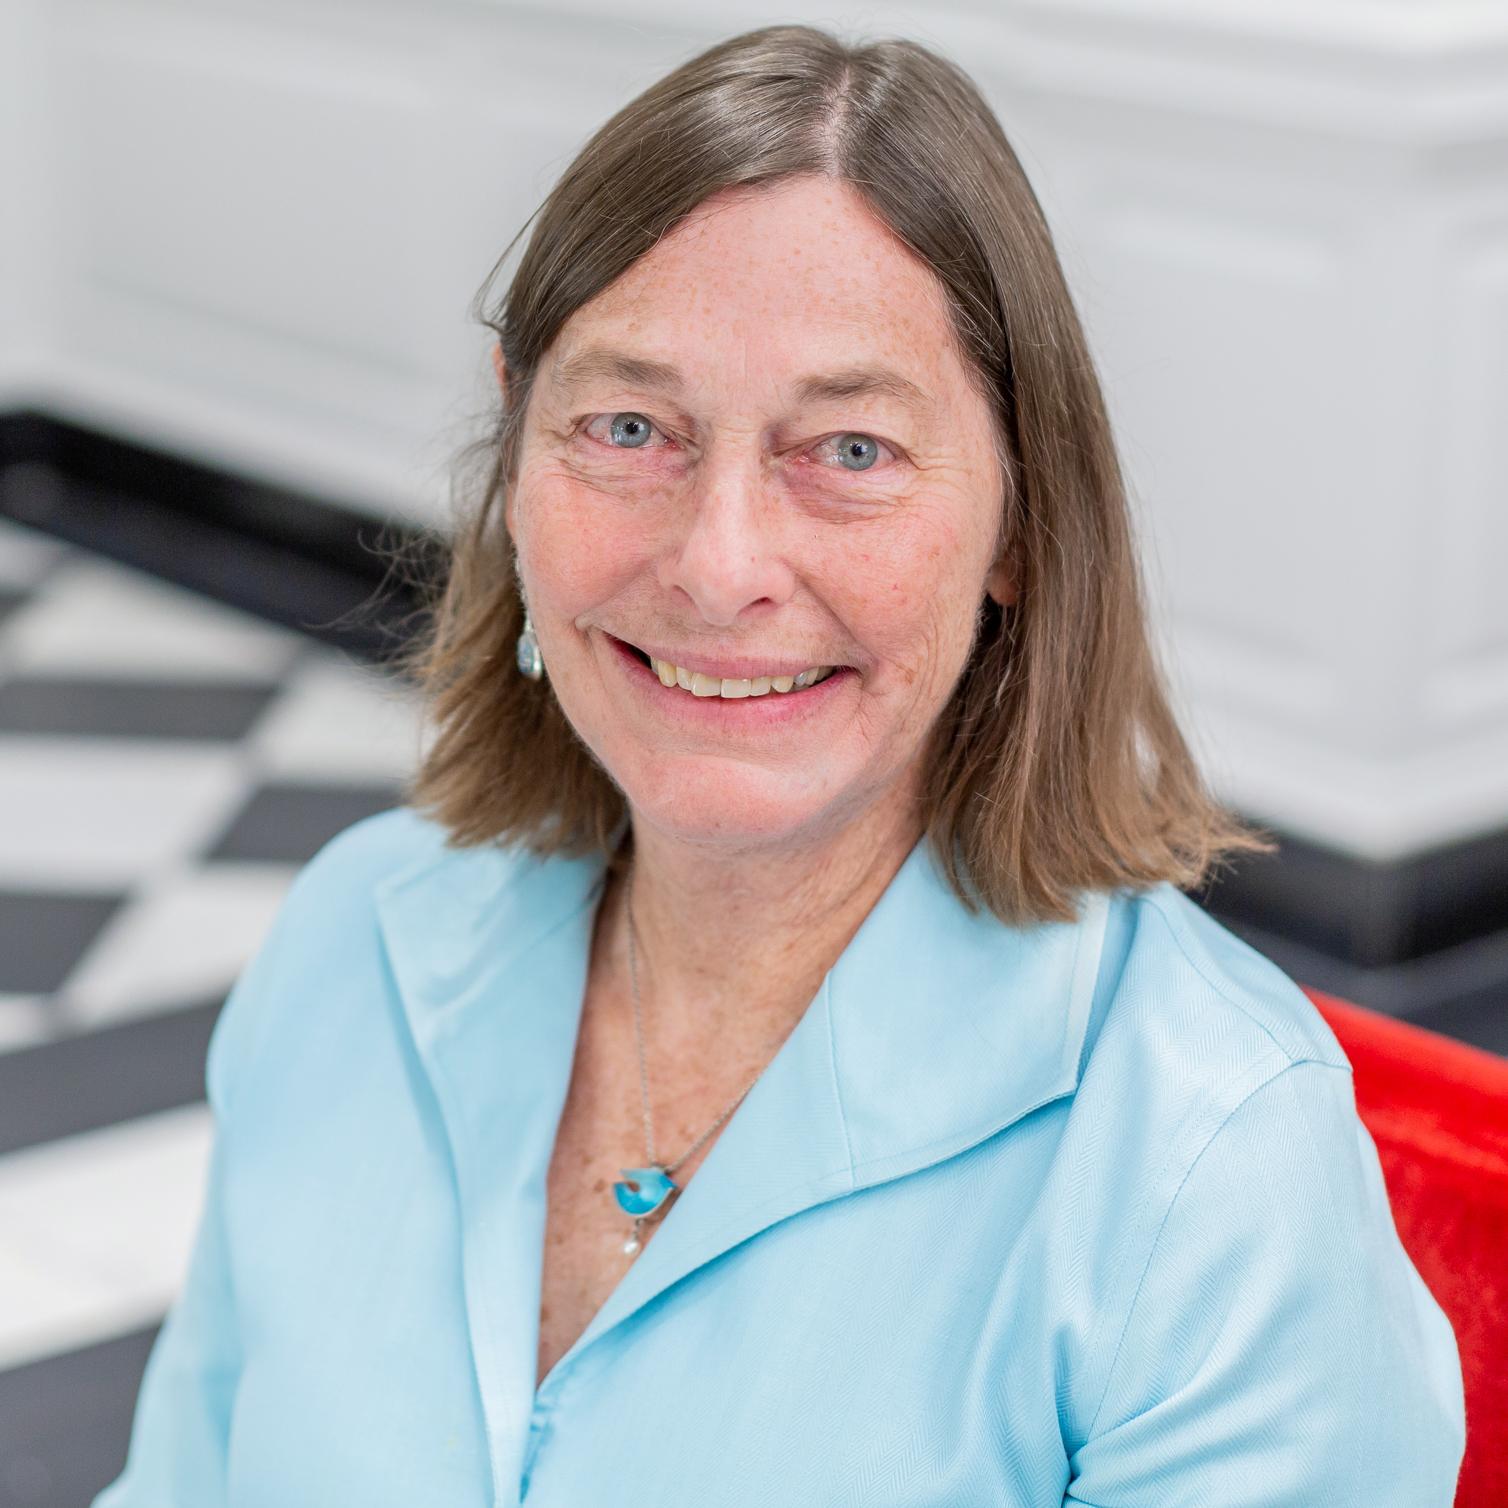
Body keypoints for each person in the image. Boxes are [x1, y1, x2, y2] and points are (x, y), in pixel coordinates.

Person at [95, 23, 1465, 1507]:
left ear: (1018, 520)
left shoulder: (1214, 1168)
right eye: (630, 429)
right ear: (514, 461)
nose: (720, 564)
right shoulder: (351, 941)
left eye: (851, 451)